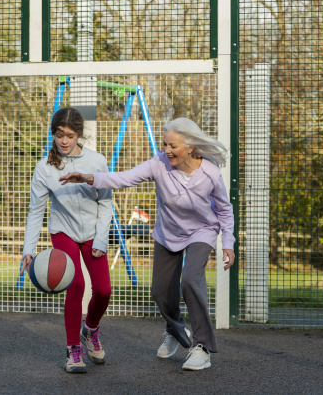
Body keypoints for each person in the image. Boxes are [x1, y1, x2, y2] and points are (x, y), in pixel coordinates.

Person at [59, 117, 235, 371]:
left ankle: (202, 347)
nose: (166, 150)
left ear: (190, 147)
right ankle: (174, 330)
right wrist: (89, 178)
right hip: (168, 232)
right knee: (160, 292)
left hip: (202, 231)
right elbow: (124, 178)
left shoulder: (210, 173)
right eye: (165, 144)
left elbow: (225, 210)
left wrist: (227, 242)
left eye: (173, 146)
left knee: (189, 280)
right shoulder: (158, 164)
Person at [20, 107, 113, 374]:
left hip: (94, 233)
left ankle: (91, 329)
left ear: (79, 136)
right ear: (53, 133)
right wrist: (29, 249)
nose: (64, 141)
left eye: (70, 136)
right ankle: (74, 349)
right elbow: (36, 210)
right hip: (63, 232)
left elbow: (106, 203)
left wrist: (101, 240)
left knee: (104, 291)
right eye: (59, 134)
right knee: (76, 285)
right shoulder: (44, 168)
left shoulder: (97, 161)